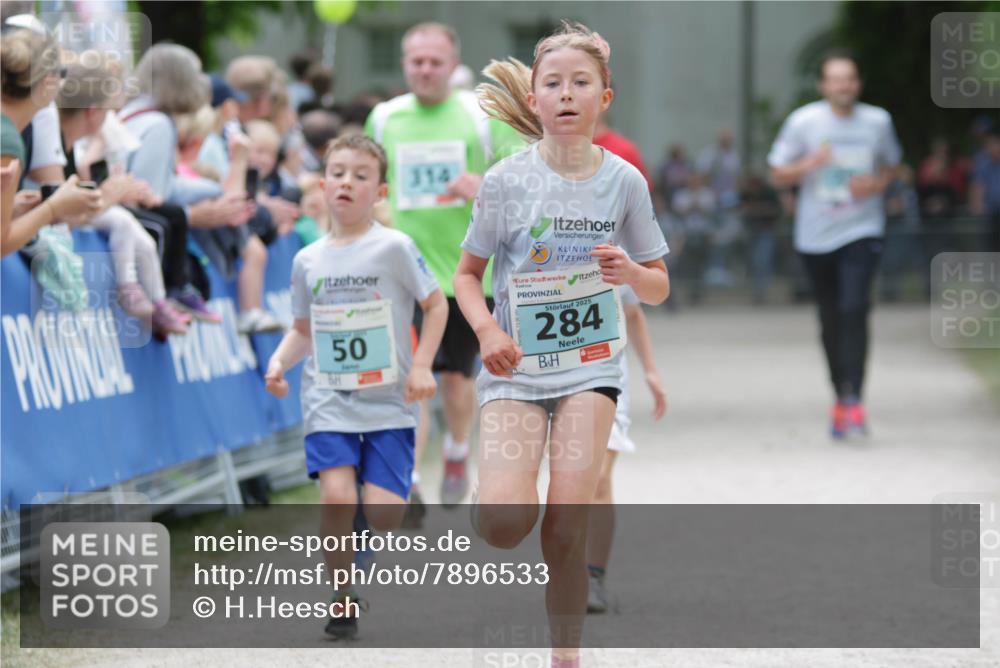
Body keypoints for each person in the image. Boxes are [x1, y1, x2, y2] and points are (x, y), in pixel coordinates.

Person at [455, 22, 669, 667]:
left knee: (569, 520)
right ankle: (487, 499)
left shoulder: (625, 181)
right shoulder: (504, 181)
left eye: (582, 83)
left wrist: (630, 274)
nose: (567, 94)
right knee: (503, 526)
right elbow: (467, 277)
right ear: (536, 98)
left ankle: (565, 654)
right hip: (516, 369)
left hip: (591, 367)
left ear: (606, 97)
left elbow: (658, 286)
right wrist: (489, 329)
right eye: (553, 83)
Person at [264, 134, 447, 639]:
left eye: (360, 175)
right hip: (328, 397)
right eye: (338, 172)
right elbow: (303, 329)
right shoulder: (308, 260)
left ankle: (362, 535)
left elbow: (436, 306)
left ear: (380, 191)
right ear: (322, 185)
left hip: (390, 399)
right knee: (337, 499)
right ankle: (342, 598)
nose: (347, 182)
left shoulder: (394, 247)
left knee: (385, 513)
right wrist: (279, 362)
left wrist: (422, 365)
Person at [365, 21, 524, 509]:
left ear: (453, 66)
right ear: (405, 64)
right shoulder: (385, 117)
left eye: (436, 62)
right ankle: (408, 478)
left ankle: (456, 452)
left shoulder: (479, 114)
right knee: (410, 382)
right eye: (417, 61)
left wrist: (487, 183)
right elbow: (370, 175)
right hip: (402, 275)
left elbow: (522, 166)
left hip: (465, 276)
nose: (426, 70)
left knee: (456, 383)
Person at [768, 50, 901, 439]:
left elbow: (894, 165)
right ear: (824, 85)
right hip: (815, 237)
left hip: (862, 229)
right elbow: (777, 174)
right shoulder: (804, 122)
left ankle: (854, 397)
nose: (843, 86)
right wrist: (809, 164)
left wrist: (877, 183)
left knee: (855, 308)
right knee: (830, 318)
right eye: (836, 79)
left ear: (857, 84)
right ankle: (839, 397)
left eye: (849, 78)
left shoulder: (878, 121)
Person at [585, 286, 666, 614]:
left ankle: (592, 577)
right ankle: (565, 567)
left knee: (598, 478)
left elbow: (633, 312)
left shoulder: (612, 245)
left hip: (607, 378)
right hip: (545, 381)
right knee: (568, 480)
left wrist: (650, 371)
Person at [1, 24, 101, 256]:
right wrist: (54, 207)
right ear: (47, 83)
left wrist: (12, 208)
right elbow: (1, 242)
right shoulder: (7, 139)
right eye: (62, 73)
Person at [970, 130, 1000, 252]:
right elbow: (977, 185)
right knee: (991, 243)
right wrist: (977, 204)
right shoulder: (983, 163)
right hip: (991, 211)